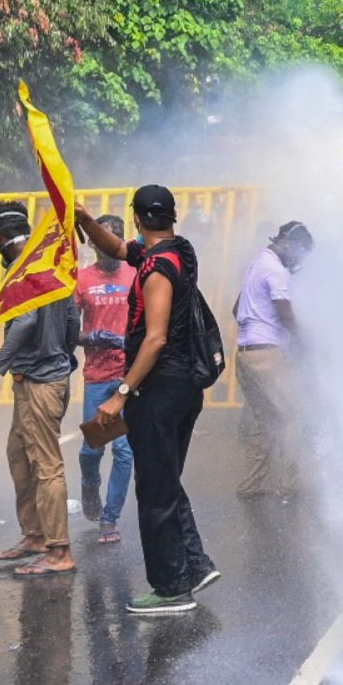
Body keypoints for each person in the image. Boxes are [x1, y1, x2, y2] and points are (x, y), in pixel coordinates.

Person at [76, 186, 220, 613]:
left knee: (155, 488)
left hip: (161, 387)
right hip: (176, 387)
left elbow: (155, 339)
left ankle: (171, 587)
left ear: (137, 218)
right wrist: (85, 222)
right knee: (165, 479)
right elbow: (119, 249)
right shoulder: (176, 251)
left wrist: (120, 394)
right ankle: (194, 564)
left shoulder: (158, 268)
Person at [0, 202, 80, 578]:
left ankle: (59, 551)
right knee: (19, 455)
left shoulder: (22, 270)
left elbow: (25, 320)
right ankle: (36, 535)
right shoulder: (51, 263)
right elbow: (71, 318)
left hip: (40, 383)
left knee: (46, 466)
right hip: (40, 377)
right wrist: (60, 354)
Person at [233, 221, 315, 498]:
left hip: (246, 353)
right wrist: (305, 343)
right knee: (297, 415)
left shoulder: (257, 262)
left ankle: (251, 485)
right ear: (287, 243)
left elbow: (237, 308)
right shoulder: (275, 271)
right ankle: (290, 485)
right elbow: (286, 314)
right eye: (299, 253)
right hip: (267, 354)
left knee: (263, 420)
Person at [75, 214, 136, 544]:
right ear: (92, 243)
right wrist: (90, 337)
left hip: (129, 375)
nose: (106, 249)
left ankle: (109, 520)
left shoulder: (136, 274)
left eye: (111, 241)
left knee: (124, 452)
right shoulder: (82, 280)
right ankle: (89, 484)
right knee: (92, 449)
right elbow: (70, 331)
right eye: (98, 241)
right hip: (97, 375)